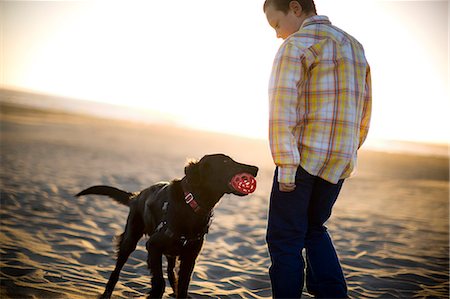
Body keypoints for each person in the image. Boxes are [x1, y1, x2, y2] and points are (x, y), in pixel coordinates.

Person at [263, 0, 372, 298]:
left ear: (295, 8)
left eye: (276, 24)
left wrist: (286, 168)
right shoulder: (354, 46)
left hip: (301, 161)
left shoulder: (296, 45)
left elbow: (281, 111)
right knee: (314, 228)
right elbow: (364, 111)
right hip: (338, 163)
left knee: (284, 239)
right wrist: (348, 152)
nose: (277, 34)